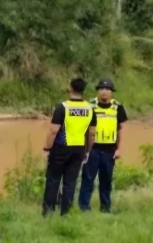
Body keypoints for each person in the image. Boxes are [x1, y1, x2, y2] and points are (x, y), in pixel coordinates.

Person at [43, 78, 97, 216]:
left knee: (53, 180)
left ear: (70, 89)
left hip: (61, 147)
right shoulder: (90, 109)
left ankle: (48, 213)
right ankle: (65, 213)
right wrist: (87, 152)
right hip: (79, 149)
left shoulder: (62, 107)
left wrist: (46, 149)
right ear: (84, 91)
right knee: (70, 182)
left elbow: (53, 131)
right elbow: (92, 135)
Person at [78, 79, 128, 213]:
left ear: (111, 92)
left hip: (109, 150)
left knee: (106, 181)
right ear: (97, 91)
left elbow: (121, 129)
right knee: (88, 179)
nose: (104, 92)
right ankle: (84, 208)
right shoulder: (89, 105)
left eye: (107, 89)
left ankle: (105, 208)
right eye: (101, 89)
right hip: (92, 149)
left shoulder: (118, 107)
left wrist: (120, 149)